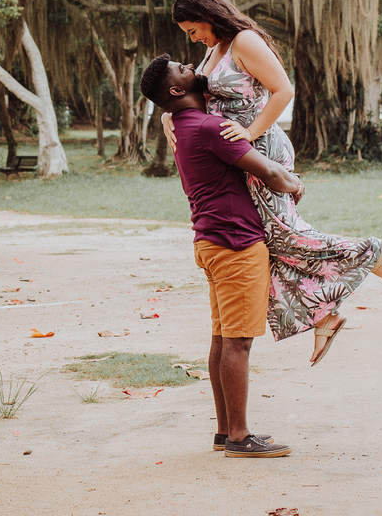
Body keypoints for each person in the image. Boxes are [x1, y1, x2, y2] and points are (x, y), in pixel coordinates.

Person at [167, 0, 382, 366]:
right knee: (268, 243)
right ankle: (324, 315)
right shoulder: (215, 49)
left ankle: (368, 251)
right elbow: (198, 96)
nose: (194, 39)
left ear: (208, 15)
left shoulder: (244, 41)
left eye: (194, 30)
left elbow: (283, 90)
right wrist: (166, 116)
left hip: (259, 147)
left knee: (281, 234)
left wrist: (251, 133)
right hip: (237, 151)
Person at [140, 53, 301, 459]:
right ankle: (239, 437)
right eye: (181, 68)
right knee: (239, 342)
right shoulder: (211, 127)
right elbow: (270, 173)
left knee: (222, 338)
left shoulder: (180, 124)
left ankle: (225, 430)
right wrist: (294, 183)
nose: (190, 66)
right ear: (177, 89)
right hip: (236, 242)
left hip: (210, 240)